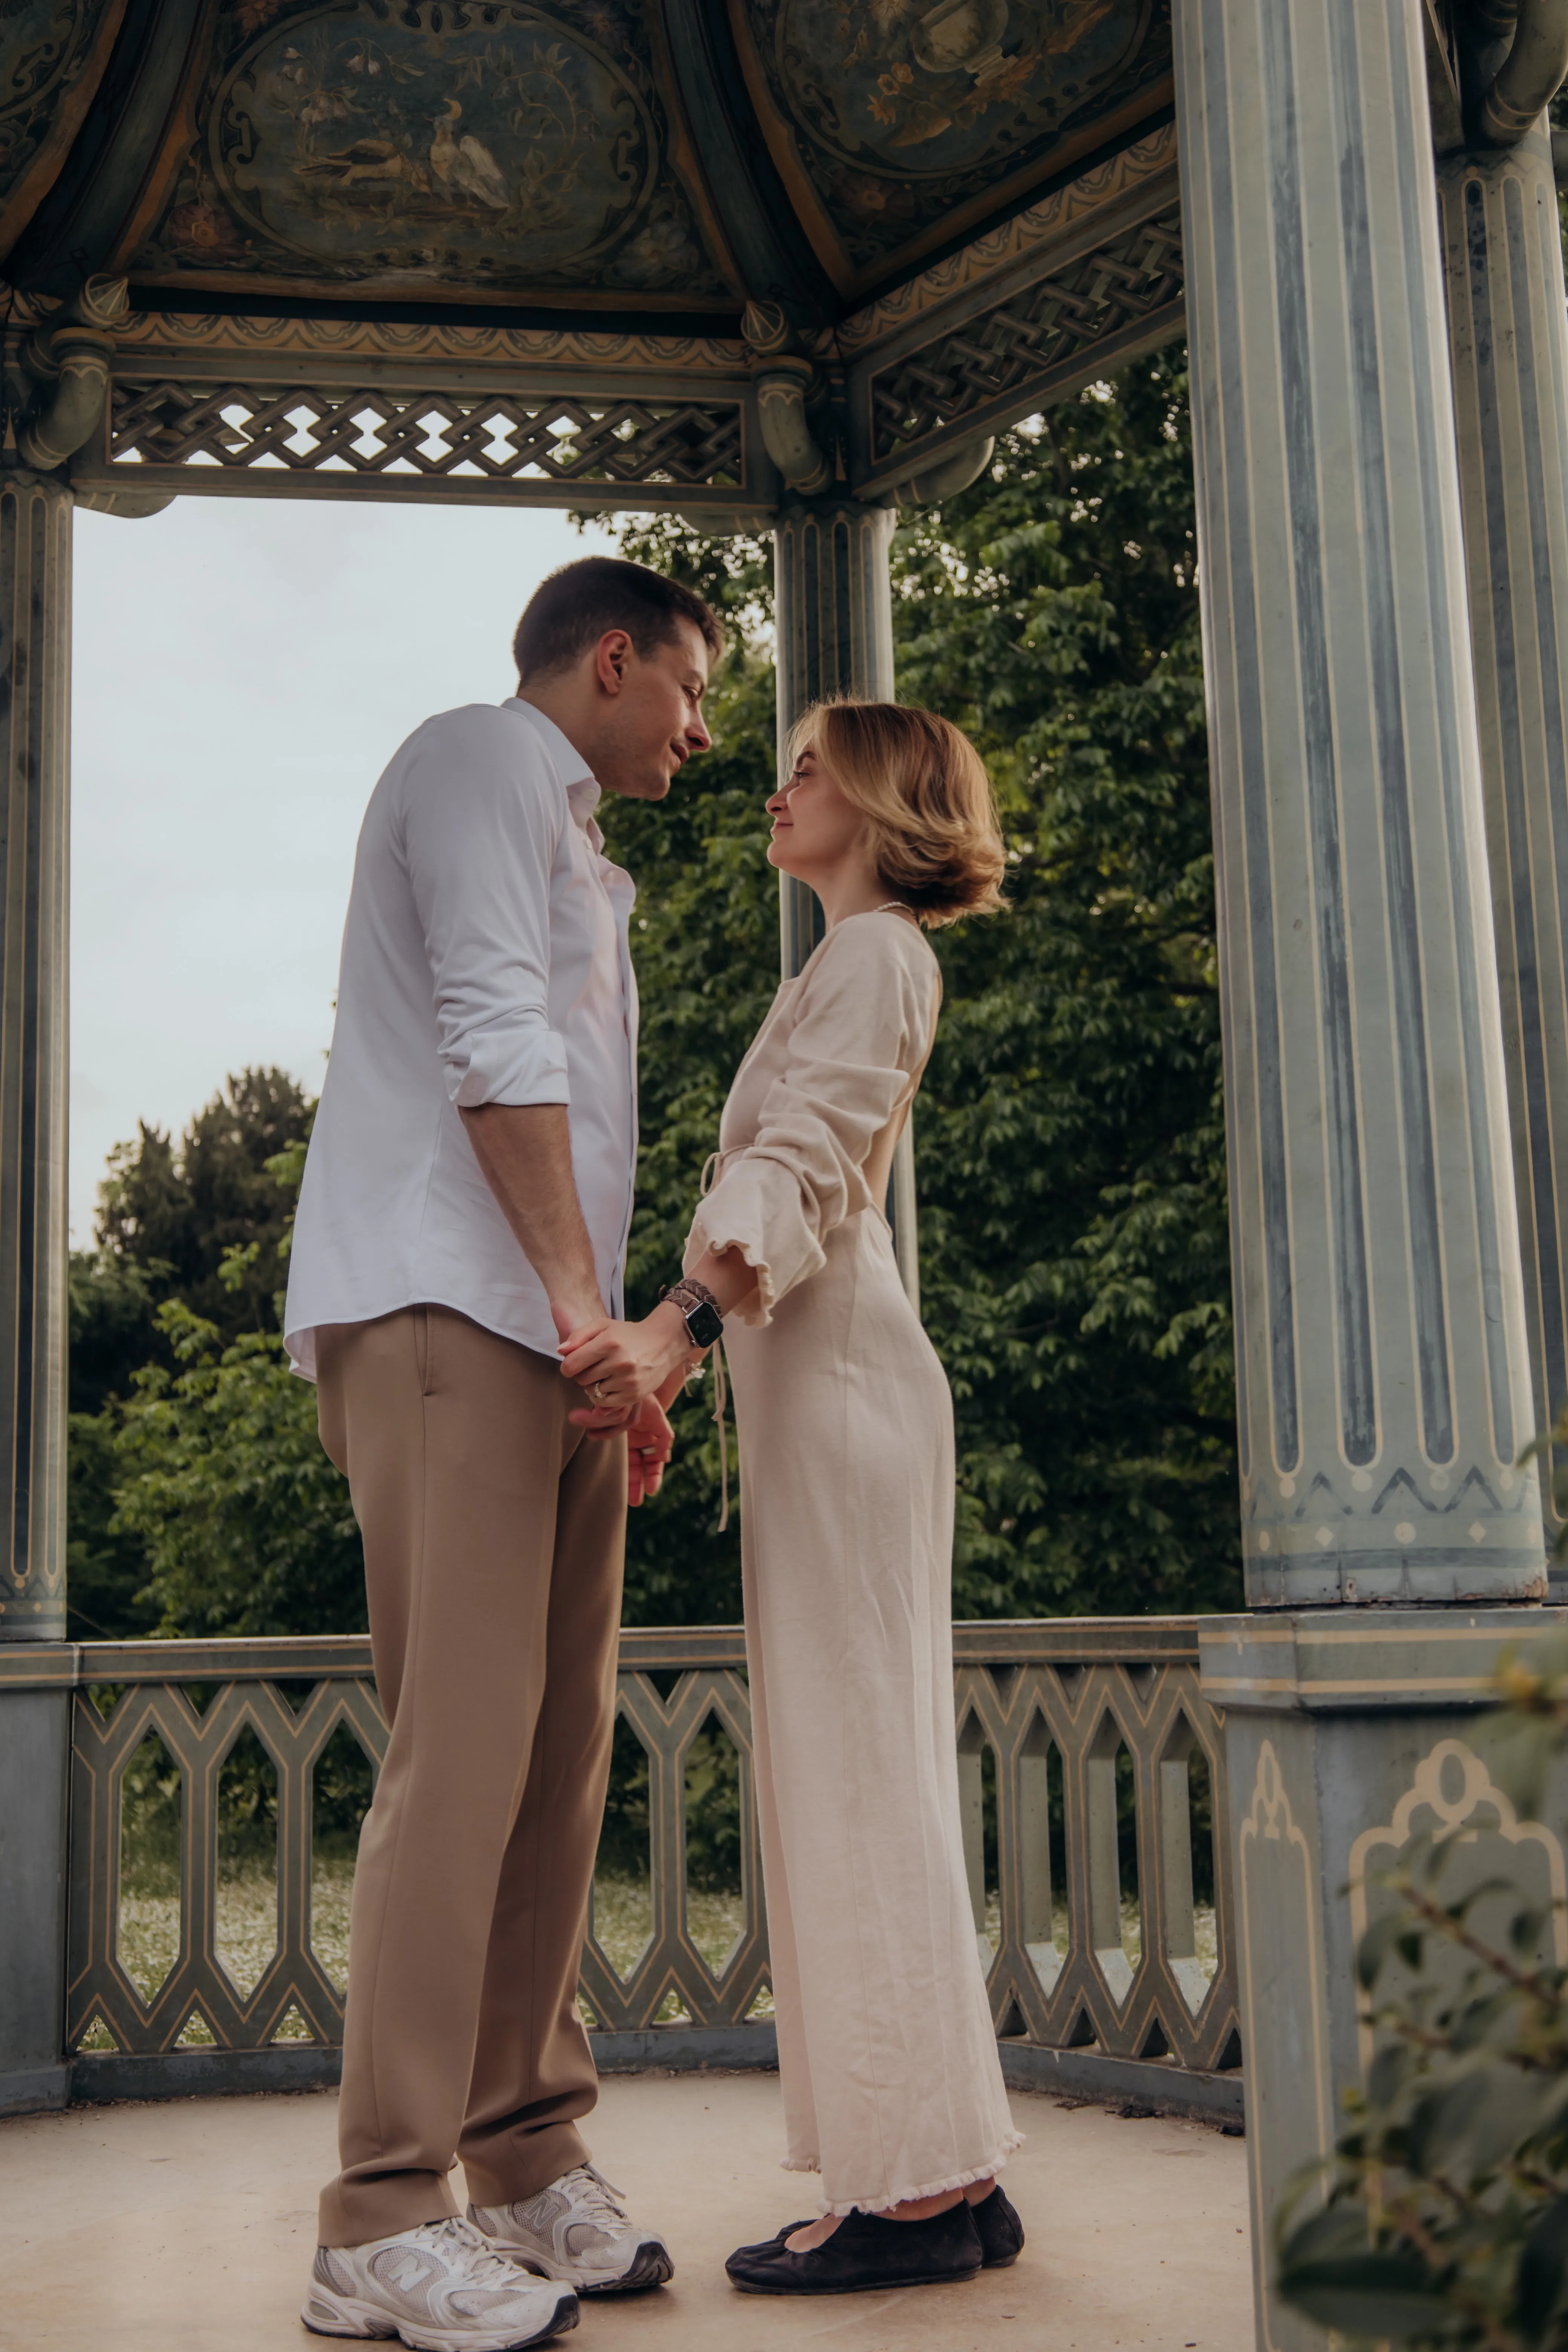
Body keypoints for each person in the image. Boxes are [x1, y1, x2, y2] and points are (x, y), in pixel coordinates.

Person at [283, 556, 721, 2351]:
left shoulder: (583, 854)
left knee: (553, 1763)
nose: (703, 728)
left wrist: (611, 1367)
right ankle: (378, 2214)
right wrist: (576, 1323)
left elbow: (564, 1107)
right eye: (691, 688)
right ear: (609, 662)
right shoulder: (475, 758)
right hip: (444, 1315)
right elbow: (487, 1040)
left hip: (545, 1341)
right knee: (458, 1761)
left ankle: (526, 2158)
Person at [560, 698, 1027, 2297]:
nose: (777, 787)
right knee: (864, 1770)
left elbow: (807, 1164)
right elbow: (799, 1176)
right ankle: (943, 2169)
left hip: (839, 1405)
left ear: (888, 797)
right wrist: (698, 1357)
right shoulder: (850, 959)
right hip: (823, 1404)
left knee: (851, 1775)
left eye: (810, 765)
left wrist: (675, 1332)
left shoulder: (877, 953)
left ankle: (906, 2195)